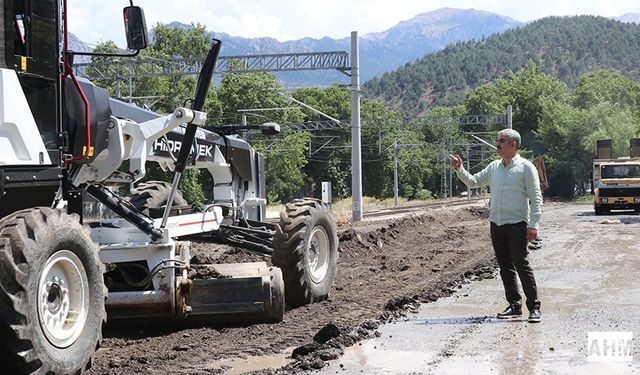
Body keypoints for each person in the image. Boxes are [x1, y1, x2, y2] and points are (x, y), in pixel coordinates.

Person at [450, 128, 543, 323]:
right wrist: (460, 169)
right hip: (497, 224)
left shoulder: (526, 167)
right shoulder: (494, 167)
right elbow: (474, 182)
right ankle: (514, 306)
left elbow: (536, 197)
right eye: (497, 140)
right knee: (505, 267)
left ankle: (534, 307)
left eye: (501, 141)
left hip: (517, 224)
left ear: (513, 145)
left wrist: (533, 224)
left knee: (521, 264)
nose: (497, 144)